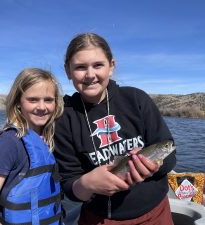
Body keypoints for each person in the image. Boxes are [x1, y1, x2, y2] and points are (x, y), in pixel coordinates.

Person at [53, 33, 176, 225]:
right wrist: (86, 183)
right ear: (68, 71)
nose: (90, 74)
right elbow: (69, 186)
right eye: (80, 67)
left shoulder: (137, 99)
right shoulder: (63, 119)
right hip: (100, 218)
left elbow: (170, 155)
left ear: (111, 66)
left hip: (156, 213)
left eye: (98, 65)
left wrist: (152, 167)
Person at [0, 68, 64, 225]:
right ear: (18, 103)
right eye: (33, 99)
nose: (42, 107)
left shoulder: (51, 136)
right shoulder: (9, 142)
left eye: (48, 100)